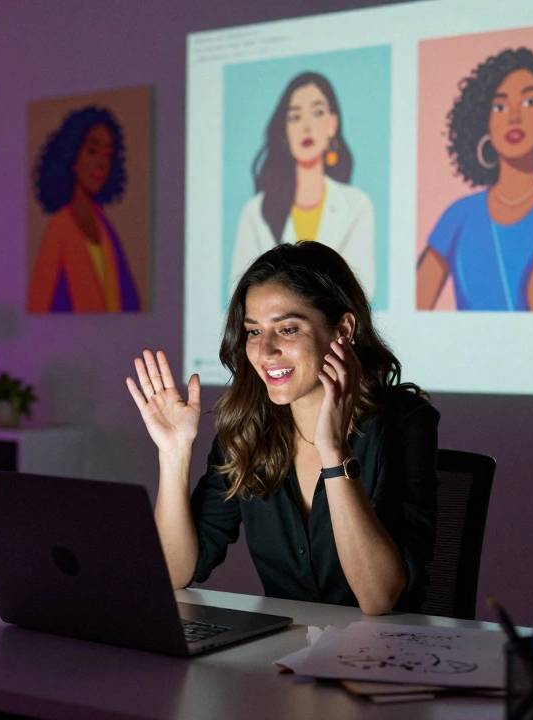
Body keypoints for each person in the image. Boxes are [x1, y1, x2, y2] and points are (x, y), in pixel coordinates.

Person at [128, 242, 436, 615]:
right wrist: (174, 455)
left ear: (343, 329)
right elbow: (174, 573)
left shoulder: (404, 421)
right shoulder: (247, 428)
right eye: (254, 332)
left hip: (381, 655)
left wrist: (334, 451)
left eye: (288, 329)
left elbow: (378, 598)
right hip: (283, 660)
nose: (265, 351)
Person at [418, 47, 533, 311]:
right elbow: (413, 305)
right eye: (499, 106)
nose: (514, 117)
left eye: (529, 102)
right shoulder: (459, 214)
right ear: (485, 121)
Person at [232, 73, 376, 301]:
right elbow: (241, 294)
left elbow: (360, 292)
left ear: (332, 124)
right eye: (295, 116)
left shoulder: (357, 205)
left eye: (317, 113)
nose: (307, 127)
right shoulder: (255, 210)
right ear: (284, 131)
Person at [27, 105, 141, 313]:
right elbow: (39, 304)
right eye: (92, 151)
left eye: (107, 155)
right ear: (72, 155)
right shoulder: (59, 228)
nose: (101, 163)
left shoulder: (105, 227)